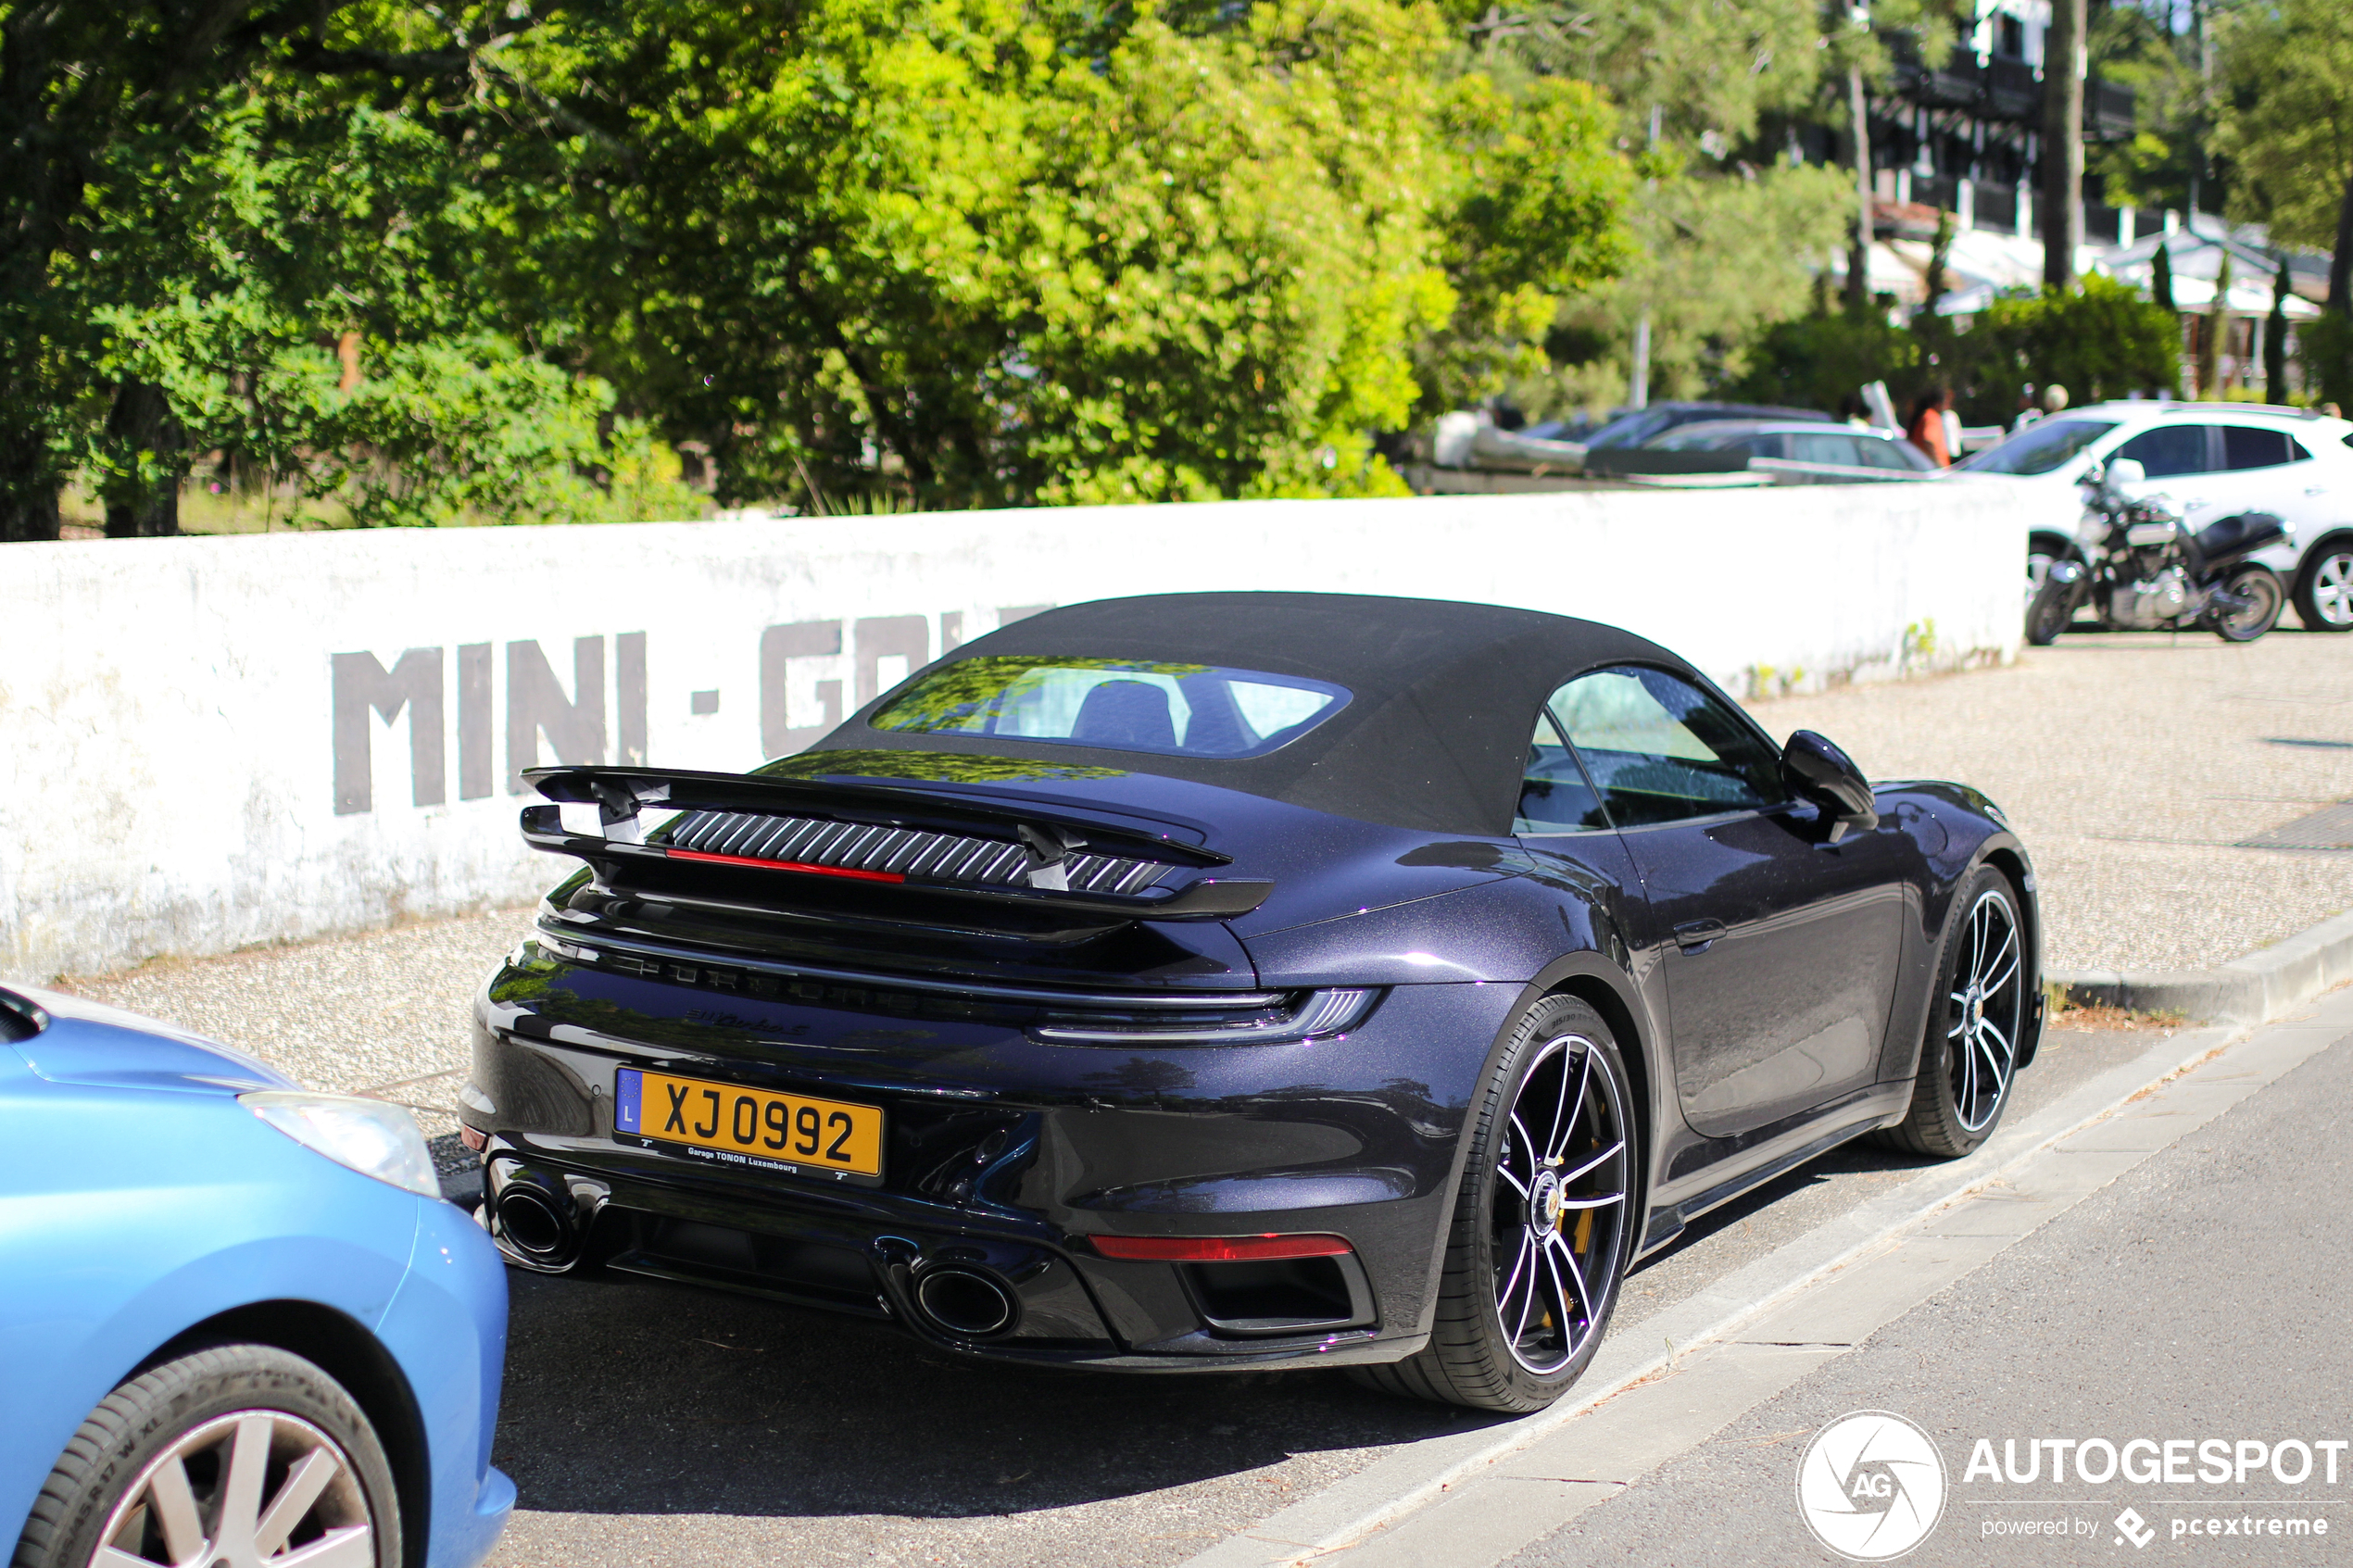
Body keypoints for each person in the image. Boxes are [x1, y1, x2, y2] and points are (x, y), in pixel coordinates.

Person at [1906, 386, 1955, 468]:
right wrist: (1939, 465)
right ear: (1938, 404)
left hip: (1919, 467)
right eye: (1946, 403)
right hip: (1932, 471)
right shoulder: (1932, 417)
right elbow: (1928, 441)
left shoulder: (1922, 417)